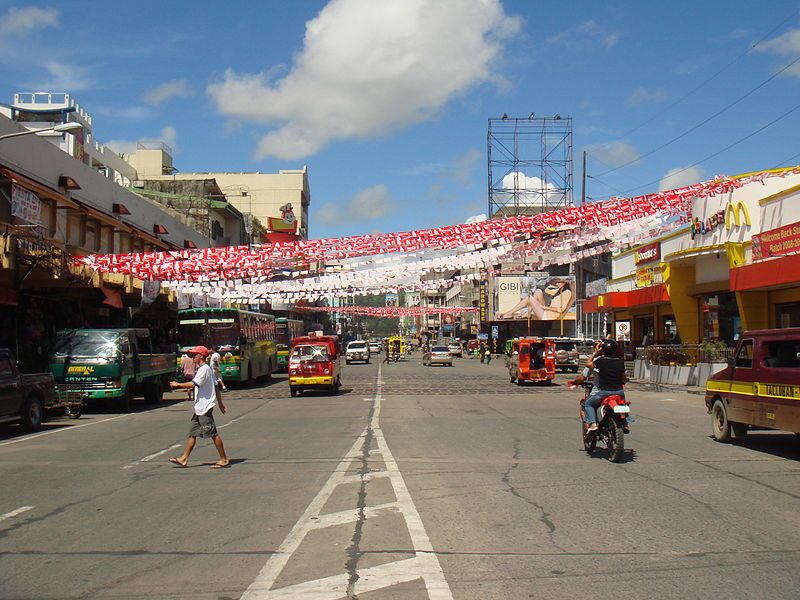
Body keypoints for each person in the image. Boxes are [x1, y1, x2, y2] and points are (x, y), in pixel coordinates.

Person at [168, 346, 230, 469]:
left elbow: (193, 384)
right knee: (192, 433)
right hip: (199, 408)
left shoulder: (204, 369)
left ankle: (223, 459)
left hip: (204, 408)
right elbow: (216, 387)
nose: (192, 358)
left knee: (213, 433)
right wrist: (220, 403)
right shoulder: (206, 369)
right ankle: (184, 459)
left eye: (194, 355)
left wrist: (177, 384)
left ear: (201, 356)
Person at [583, 339, 627, 434]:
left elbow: (587, 364)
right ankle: (625, 422)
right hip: (619, 392)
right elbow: (624, 378)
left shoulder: (601, 361)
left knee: (588, 404)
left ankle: (593, 424)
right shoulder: (620, 362)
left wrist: (595, 353)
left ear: (603, 350)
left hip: (604, 392)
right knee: (623, 404)